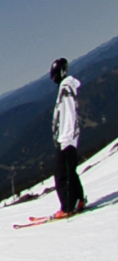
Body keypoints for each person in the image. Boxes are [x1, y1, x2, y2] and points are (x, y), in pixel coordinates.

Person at [49, 58, 84, 218]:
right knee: (70, 171)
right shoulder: (66, 87)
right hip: (67, 139)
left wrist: (66, 138)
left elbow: (69, 113)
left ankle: (68, 207)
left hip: (66, 139)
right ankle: (78, 199)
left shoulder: (66, 88)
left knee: (61, 175)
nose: (54, 78)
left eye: (55, 74)